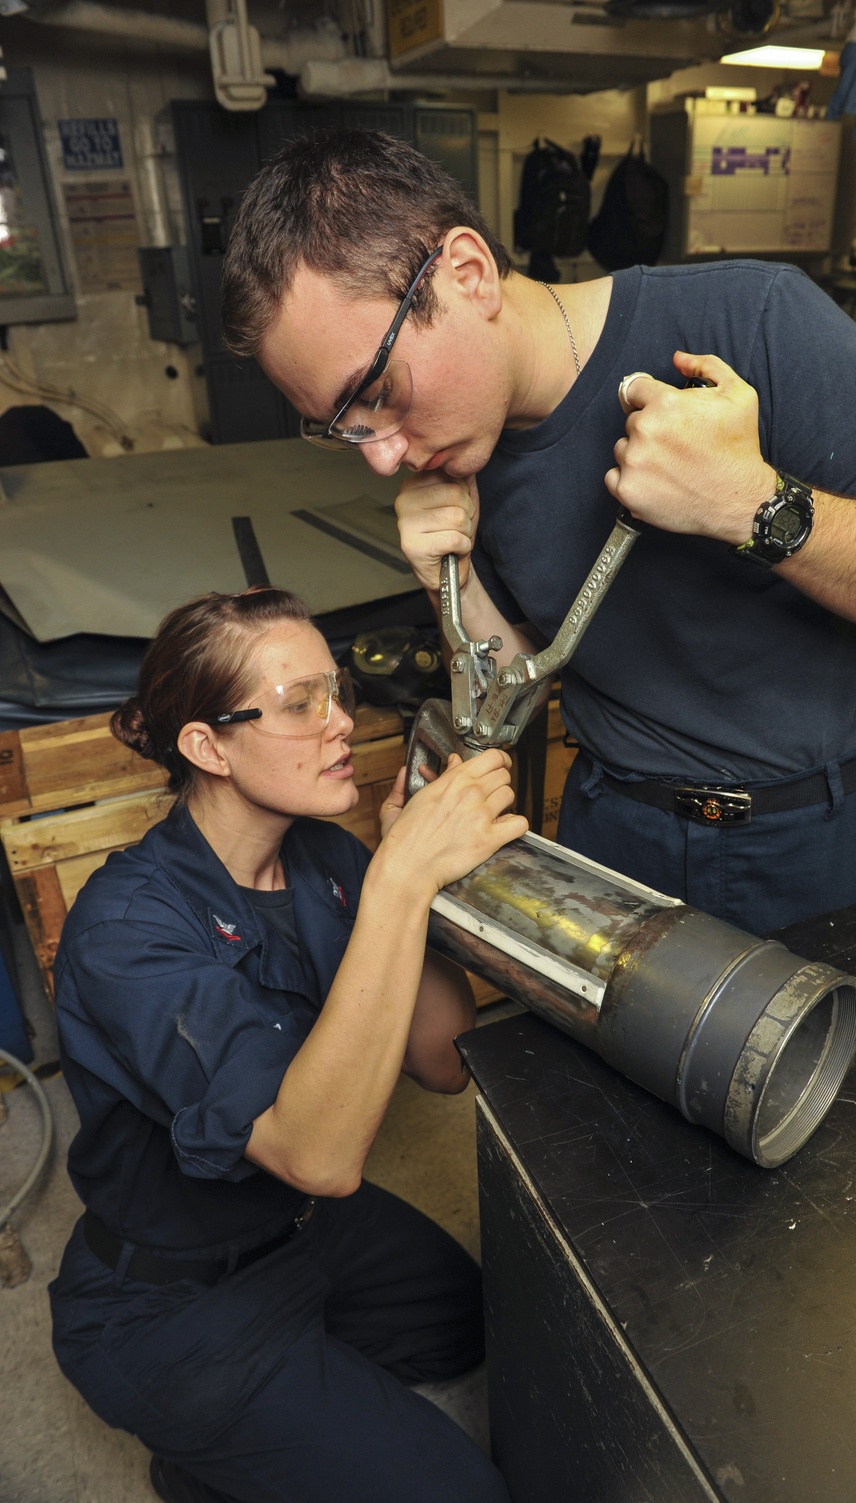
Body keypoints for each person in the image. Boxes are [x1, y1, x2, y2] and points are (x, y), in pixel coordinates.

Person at [220, 129, 856, 936]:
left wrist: (752, 504)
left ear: (468, 274)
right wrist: (454, 581)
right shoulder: (457, 456)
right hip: (611, 836)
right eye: (343, 425)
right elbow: (520, 672)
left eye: (377, 389)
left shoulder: (756, 315)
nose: (380, 457)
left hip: (812, 837)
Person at [48, 587, 524, 1503]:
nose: (342, 721)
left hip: (296, 1233)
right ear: (206, 745)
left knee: (471, 1322)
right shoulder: (124, 927)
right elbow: (319, 1155)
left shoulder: (325, 856)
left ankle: (280, 1420)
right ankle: (207, 1453)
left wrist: (414, 887)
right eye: (300, 701)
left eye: (335, 691)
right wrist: (399, 882)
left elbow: (444, 1061)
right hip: (171, 1303)